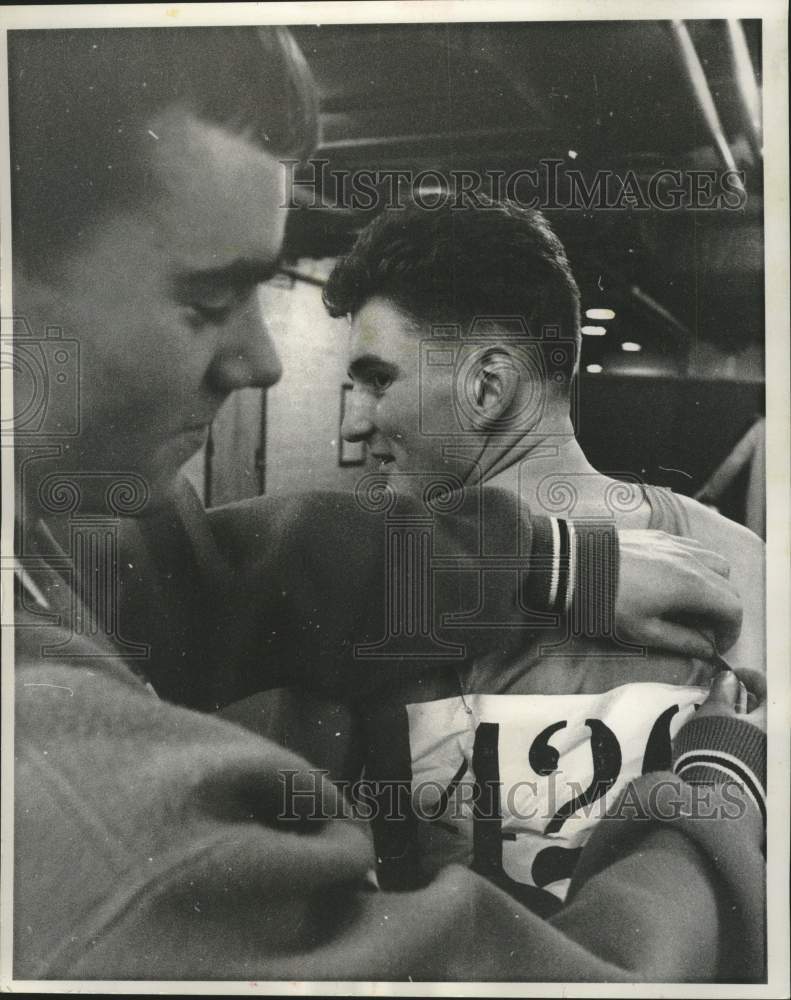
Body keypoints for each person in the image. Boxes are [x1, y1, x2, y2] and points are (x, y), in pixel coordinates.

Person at [8, 27, 764, 983]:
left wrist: (545, 565)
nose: (279, 374)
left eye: (371, 379)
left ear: (486, 388)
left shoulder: (50, 562)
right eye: (206, 300)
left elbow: (216, 574)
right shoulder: (748, 581)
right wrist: (727, 786)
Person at [323, 199, 766, 905]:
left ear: (488, 386)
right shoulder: (739, 563)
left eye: (377, 380)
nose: (352, 424)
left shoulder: (360, 592)